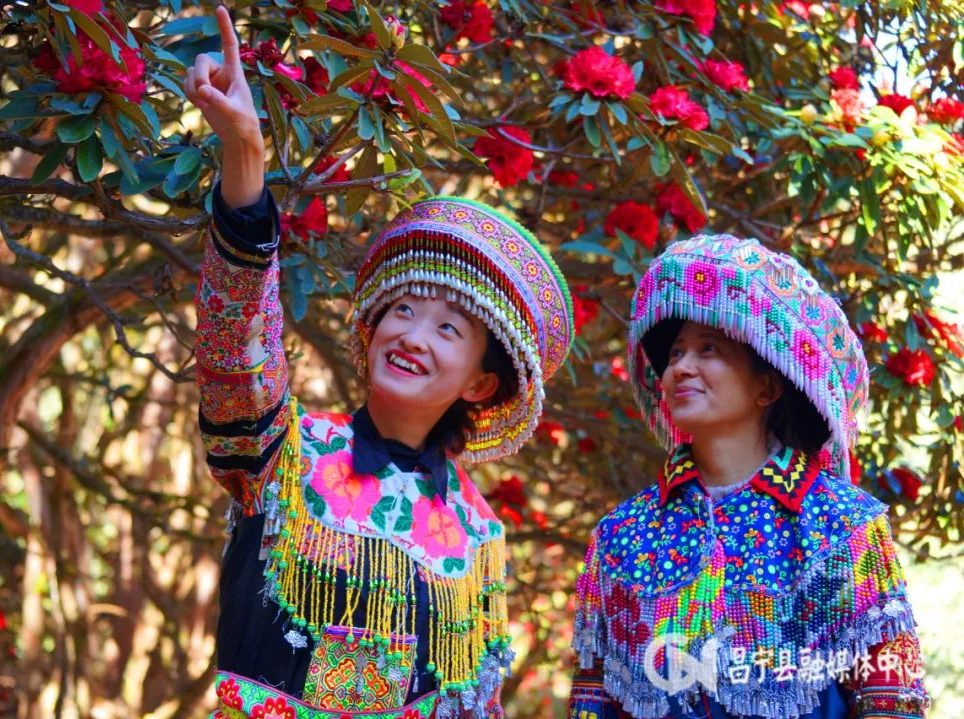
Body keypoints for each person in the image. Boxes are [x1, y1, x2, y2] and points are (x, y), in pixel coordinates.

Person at [184, 8, 574, 718]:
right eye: (403, 309)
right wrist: (244, 159)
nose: (414, 333)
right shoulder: (283, 453)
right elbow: (234, 340)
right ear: (370, 332)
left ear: (481, 382)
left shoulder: (481, 536)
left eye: (449, 326)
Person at [568, 235, 929, 719]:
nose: (682, 368)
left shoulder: (845, 527)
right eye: (675, 354)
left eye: (709, 349)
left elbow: (891, 700)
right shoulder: (623, 534)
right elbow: (592, 697)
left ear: (767, 386)